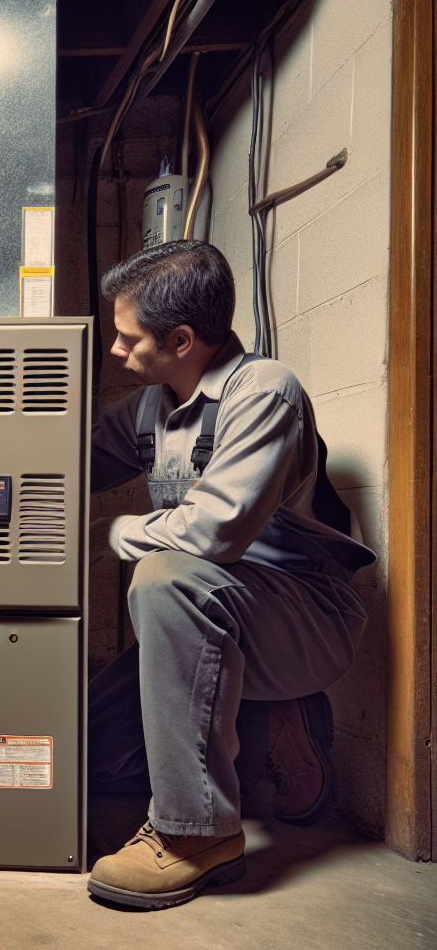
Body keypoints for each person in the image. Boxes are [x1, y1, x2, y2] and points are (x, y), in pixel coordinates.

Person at [85, 240, 374, 909]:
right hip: (213, 626)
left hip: (303, 620)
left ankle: (197, 834)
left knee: (163, 574)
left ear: (181, 339)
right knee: (91, 755)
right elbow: (69, 457)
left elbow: (211, 535)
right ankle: (258, 725)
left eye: (128, 339)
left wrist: (118, 533)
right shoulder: (150, 410)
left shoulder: (265, 393)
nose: (117, 352)